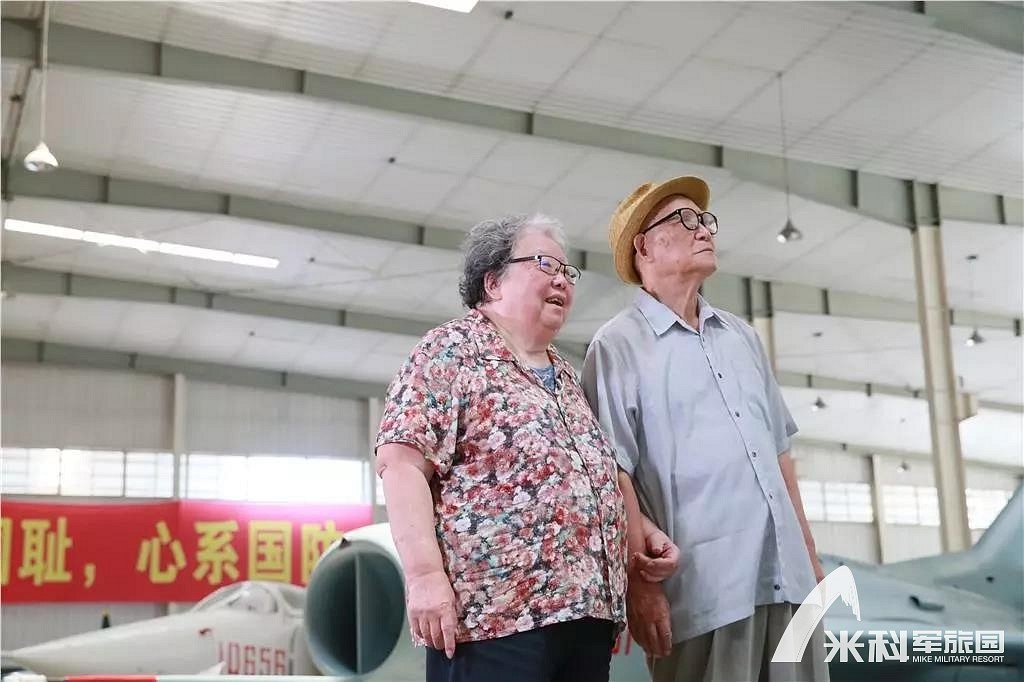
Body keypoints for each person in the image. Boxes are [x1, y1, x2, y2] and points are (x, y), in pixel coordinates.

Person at [374, 213, 676, 682]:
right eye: (544, 265)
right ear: (493, 282)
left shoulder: (567, 377)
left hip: (585, 618)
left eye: (567, 271)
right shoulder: (451, 351)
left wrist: (642, 530)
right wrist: (424, 576)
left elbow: (591, 477)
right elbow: (401, 463)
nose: (562, 280)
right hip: (495, 620)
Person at [582, 176, 830, 682]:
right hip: (706, 591)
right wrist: (640, 584)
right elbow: (612, 474)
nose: (704, 230)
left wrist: (808, 555)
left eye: (705, 220)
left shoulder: (742, 337)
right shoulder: (617, 347)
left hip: (789, 582)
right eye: (685, 220)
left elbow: (779, 453)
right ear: (644, 247)